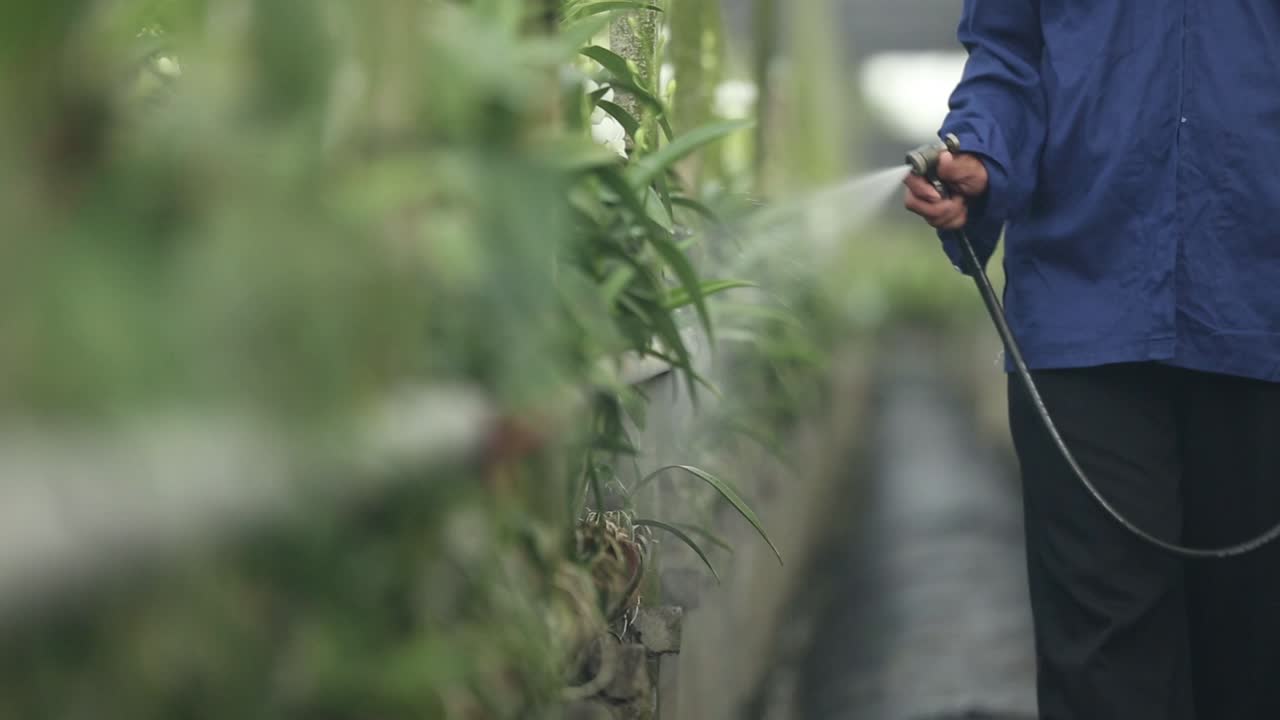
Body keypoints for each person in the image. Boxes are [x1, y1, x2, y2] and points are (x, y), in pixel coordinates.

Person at [903, 2, 1280, 719]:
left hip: (1260, 304)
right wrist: (982, 151)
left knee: (1258, 653)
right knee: (1104, 662)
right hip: (1084, 303)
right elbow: (1008, 55)